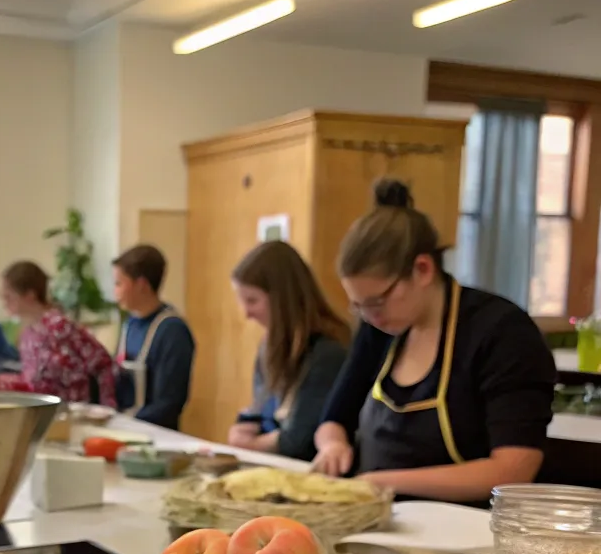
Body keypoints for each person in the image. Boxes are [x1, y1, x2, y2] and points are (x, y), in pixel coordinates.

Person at [313, 179, 556, 505]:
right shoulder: (380, 329)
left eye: (377, 302)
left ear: (423, 269)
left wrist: (381, 481)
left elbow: (512, 470)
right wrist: (332, 445)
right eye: (358, 306)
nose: (370, 316)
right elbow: (334, 419)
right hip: (380, 515)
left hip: (466, 536)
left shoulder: (502, 333)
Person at [226, 241, 351, 461]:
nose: (246, 313)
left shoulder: (327, 352)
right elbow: (262, 410)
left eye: (252, 300)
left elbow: (299, 440)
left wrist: (253, 444)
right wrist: (242, 428)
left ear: (283, 299)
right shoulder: (268, 345)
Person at [0, 261, 116, 406]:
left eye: (9, 297)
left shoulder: (59, 327)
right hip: (39, 412)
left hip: (72, 413)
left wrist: (108, 406)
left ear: (30, 295)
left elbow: (102, 362)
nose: (4, 302)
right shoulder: (27, 333)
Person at [112, 245, 195, 429]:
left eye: (119, 284)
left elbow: (169, 403)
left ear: (142, 285)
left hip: (155, 435)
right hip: (124, 428)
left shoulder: (172, 331)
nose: (115, 293)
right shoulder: (129, 325)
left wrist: (126, 422)